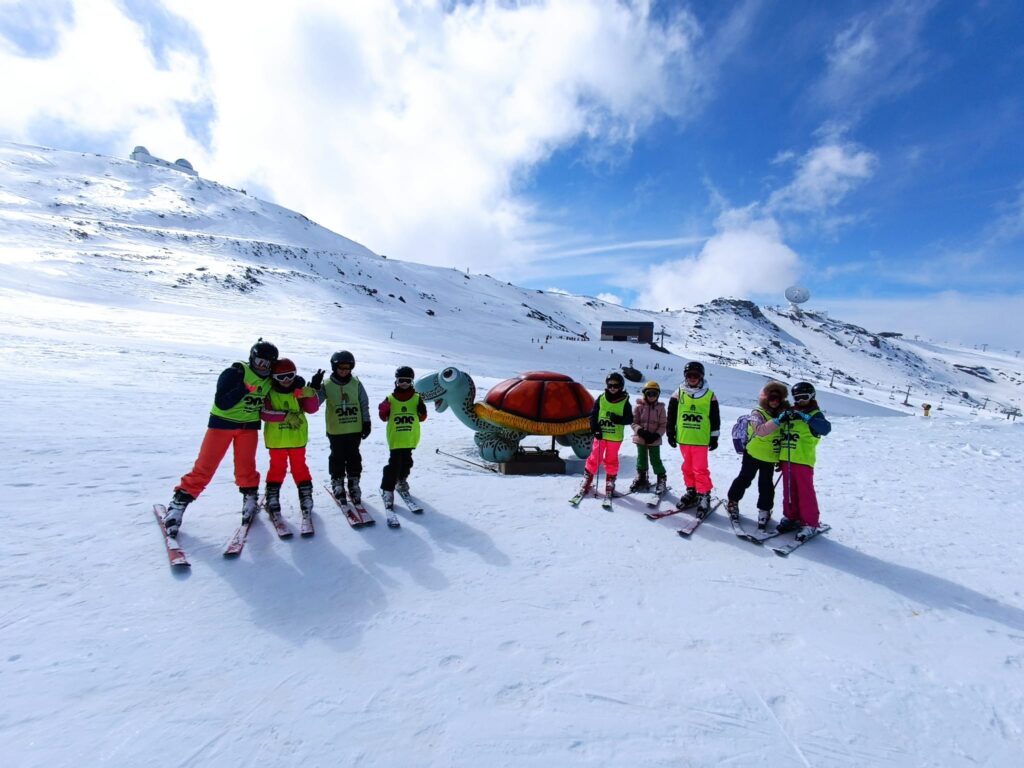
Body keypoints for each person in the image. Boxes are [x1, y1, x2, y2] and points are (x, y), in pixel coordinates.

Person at [163, 339, 279, 537]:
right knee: (205, 467)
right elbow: (222, 402)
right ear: (252, 358)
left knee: (246, 467)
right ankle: (179, 504)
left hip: (248, 429)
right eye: (259, 362)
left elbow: (287, 384)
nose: (263, 367)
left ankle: (250, 498)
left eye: (267, 364)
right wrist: (243, 389)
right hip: (221, 425)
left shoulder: (269, 380)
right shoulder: (235, 372)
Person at [260, 358, 320, 520]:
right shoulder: (269, 392)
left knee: (299, 467)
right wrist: (286, 416)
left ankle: (306, 496)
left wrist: (312, 394)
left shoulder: (298, 391)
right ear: (274, 377)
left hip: (296, 439)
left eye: (289, 376)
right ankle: (272, 497)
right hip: (277, 440)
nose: (286, 381)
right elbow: (264, 413)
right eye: (281, 377)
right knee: (277, 468)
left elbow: (312, 409)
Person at [725, 381, 789, 530]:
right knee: (745, 479)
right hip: (752, 454)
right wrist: (778, 420)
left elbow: (784, 438)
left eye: (777, 399)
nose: (774, 402)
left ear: (781, 400)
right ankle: (733, 501)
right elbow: (760, 430)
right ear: (766, 398)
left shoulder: (784, 416)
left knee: (766, 485)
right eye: (771, 398)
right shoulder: (757, 413)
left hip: (770, 457)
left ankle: (764, 509)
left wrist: (782, 458)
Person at [774, 381, 832, 541]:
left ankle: (810, 522)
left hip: (803, 460)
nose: (800, 401)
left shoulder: (814, 414)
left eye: (804, 397)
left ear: (812, 396)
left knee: (805, 492)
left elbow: (825, 429)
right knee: (789, 491)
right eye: (797, 398)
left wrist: (805, 417)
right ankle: (791, 516)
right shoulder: (791, 412)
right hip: (787, 458)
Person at [313, 350, 371, 505]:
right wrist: (314, 388)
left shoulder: (356, 383)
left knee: (354, 456)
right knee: (337, 456)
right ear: (334, 367)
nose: (344, 371)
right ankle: (337, 482)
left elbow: (364, 404)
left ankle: (354, 482)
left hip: (354, 428)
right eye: (341, 367)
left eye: (348, 367)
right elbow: (313, 405)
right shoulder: (327, 385)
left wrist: (366, 422)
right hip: (336, 430)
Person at [666, 361, 720, 517]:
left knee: (700, 469)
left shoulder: (709, 395)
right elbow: (672, 416)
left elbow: (715, 418)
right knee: (687, 468)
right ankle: (692, 491)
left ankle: (704, 494)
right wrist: (670, 433)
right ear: (685, 376)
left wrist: (714, 437)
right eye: (689, 375)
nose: (692, 378)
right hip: (684, 438)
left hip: (700, 440)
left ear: (701, 376)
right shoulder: (678, 393)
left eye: (696, 376)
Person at [578, 372, 633, 500]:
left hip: (614, 438)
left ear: (621, 386)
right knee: (595, 457)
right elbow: (593, 416)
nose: (613, 388)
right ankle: (588, 478)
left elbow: (630, 419)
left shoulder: (625, 401)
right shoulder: (601, 398)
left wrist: (619, 419)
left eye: (616, 385)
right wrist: (595, 429)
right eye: (610, 385)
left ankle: (610, 480)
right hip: (601, 436)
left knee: (611, 459)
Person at [379, 366, 427, 509]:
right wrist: (383, 409)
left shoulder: (417, 399)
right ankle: (387, 488)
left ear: (412, 382)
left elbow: (422, 418)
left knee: (407, 462)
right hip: (396, 438)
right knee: (394, 464)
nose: (404, 383)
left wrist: (422, 410)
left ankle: (401, 481)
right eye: (401, 380)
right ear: (396, 381)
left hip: (409, 438)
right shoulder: (390, 398)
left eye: (407, 381)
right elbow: (383, 417)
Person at [629, 381, 668, 494]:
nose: (652, 396)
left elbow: (663, 424)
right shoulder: (639, 407)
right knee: (641, 458)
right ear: (645, 394)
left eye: (654, 394)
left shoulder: (660, 408)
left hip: (654, 440)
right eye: (649, 393)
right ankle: (641, 477)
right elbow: (633, 422)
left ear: (658, 395)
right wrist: (640, 431)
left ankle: (661, 478)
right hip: (641, 438)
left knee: (655, 460)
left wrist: (656, 435)